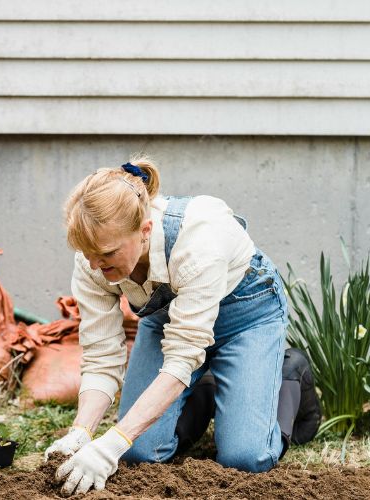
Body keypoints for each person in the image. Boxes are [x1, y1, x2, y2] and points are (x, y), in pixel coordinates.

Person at [45, 154, 319, 495]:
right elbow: (102, 357)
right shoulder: (93, 258)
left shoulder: (198, 241)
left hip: (247, 317)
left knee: (246, 458)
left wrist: (110, 443)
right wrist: (82, 433)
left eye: (108, 254)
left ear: (144, 231)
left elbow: (179, 361)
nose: (96, 266)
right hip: (171, 325)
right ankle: (204, 390)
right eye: (89, 254)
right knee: (138, 452)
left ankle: (290, 376)